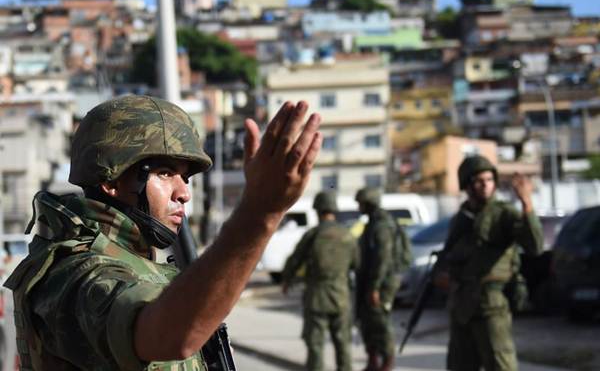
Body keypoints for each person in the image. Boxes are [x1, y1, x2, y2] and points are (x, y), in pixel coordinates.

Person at [4, 95, 322, 370]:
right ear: (111, 182)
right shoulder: (74, 273)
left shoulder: (140, 261)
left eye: (185, 177)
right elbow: (169, 336)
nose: (184, 193)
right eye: (165, 173)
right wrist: (260, 212)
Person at [436, 155, 543, 371]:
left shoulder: (503, 213)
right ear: (466, 185)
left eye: (489, 179)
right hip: (462, 303)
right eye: (478, 180)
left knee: (500, 364)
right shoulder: (461, 219)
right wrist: (442, 275)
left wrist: (527, 204)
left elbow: (535, 246)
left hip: (491, 304)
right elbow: (450, 254)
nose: (485, 185)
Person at [281, 190, 359, 371]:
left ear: (317, 210)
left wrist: (287, 280)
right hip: (341, 297)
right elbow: (356, 263)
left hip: (316, 298)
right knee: (343, 344)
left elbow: (294, 260)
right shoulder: (348, 236)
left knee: (315, 346)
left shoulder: (313, 235)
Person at [354, 188, 404, 371]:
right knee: (368, 320)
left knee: (380, 320)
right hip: (372, 280)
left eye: (361, 203)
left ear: (369, 203)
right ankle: (373, 361)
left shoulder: (382, 225)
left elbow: (383, 258)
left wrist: (374, 287)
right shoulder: (373, 223)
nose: (359, 207)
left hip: (382, 283)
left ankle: (388, 362)